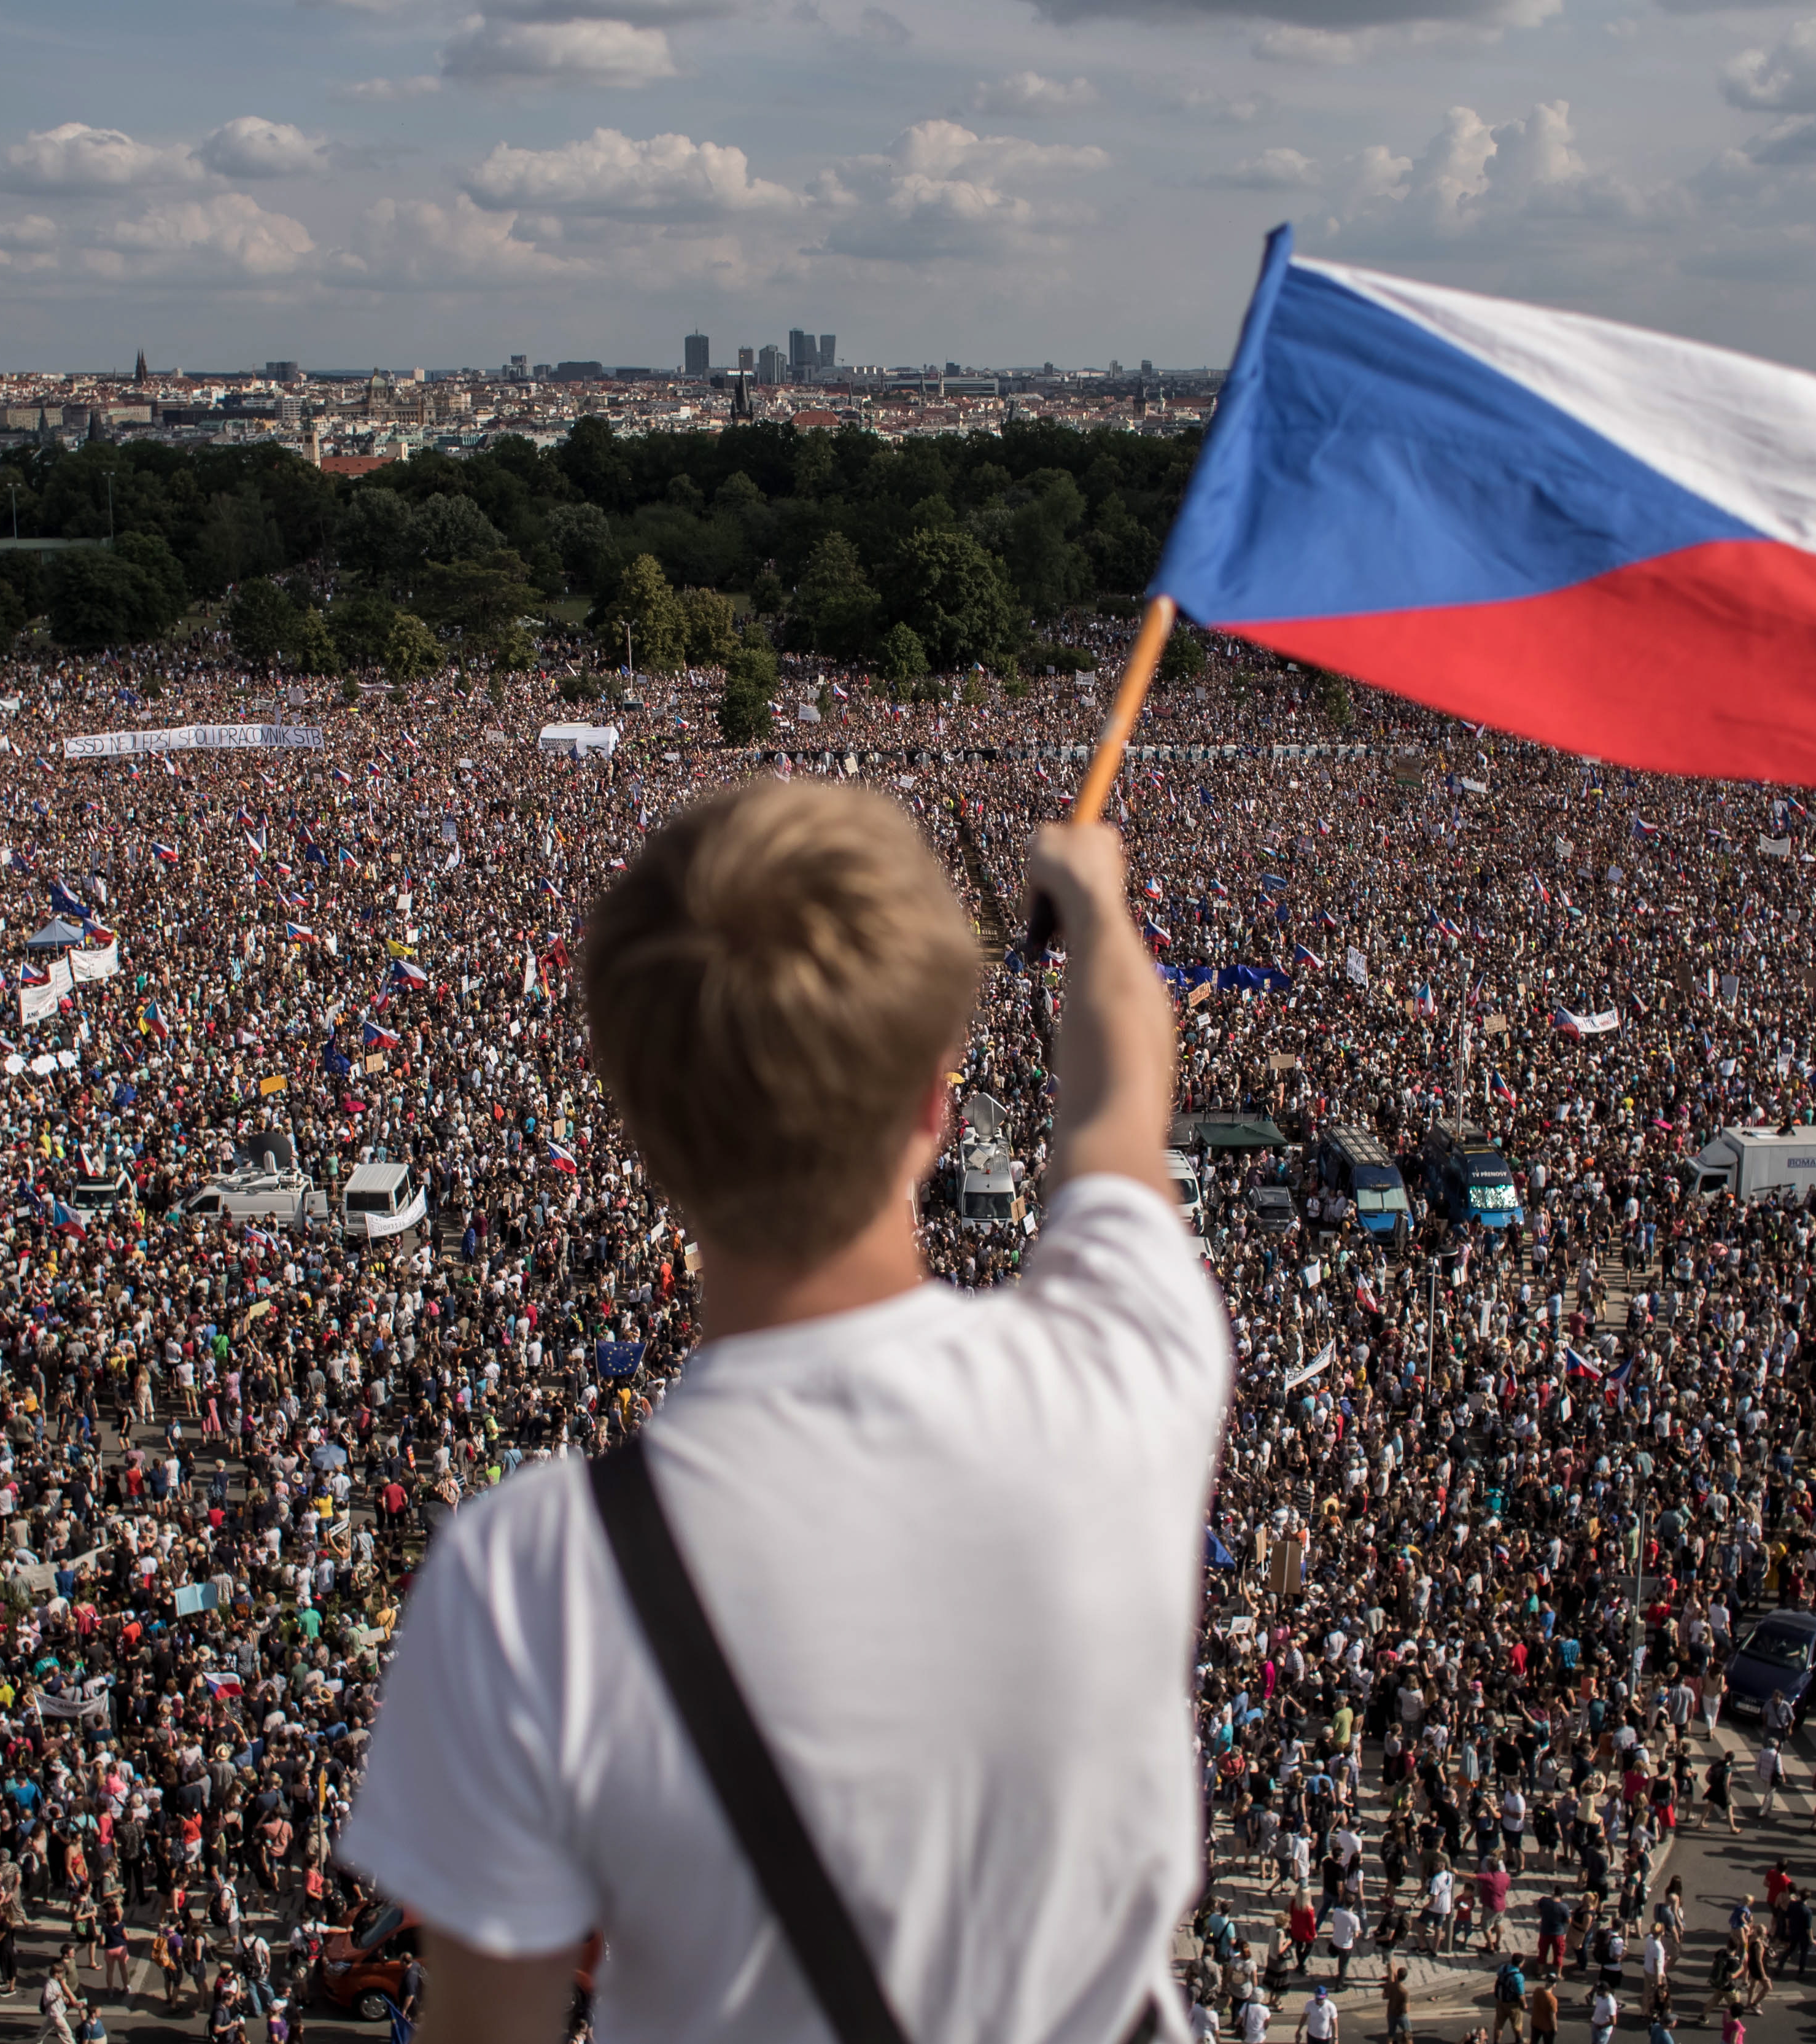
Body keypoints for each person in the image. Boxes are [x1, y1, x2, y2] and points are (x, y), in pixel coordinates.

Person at [343, 784, 1210, 2042]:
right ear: (934, 1102)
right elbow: (1118, 1105)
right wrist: (1093, 903)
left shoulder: (525, 1576)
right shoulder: (1121, 1378)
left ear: (640, 1135)